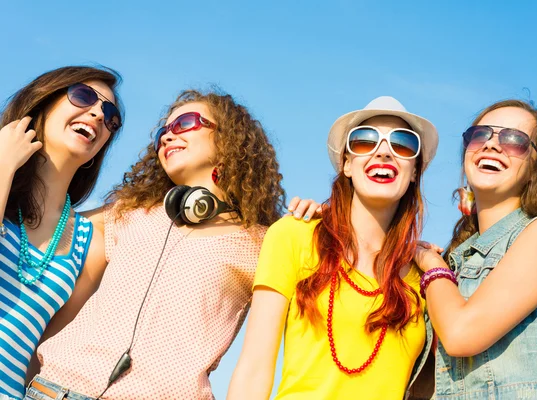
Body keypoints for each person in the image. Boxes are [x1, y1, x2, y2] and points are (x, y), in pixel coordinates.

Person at [25, 89, 311, 399]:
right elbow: (44, 223)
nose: (167, 136)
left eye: (185, 123)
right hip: (53, 390)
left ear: (229, 140)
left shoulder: (263, 242)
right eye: (164, 130)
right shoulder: (126, 213)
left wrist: (319, 221)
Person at [228, 96, 439, 399]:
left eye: (402, 144)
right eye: (364, 141)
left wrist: (436, 269)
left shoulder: (426, 277)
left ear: (415, 172)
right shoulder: (294, 235)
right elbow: (253, 369)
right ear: (347, 164)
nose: (383, 152)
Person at [414, 100, 537, 399]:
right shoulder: (457, 259)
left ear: (536, 167)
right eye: (480, 135)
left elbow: (462, 334)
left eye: (514, 140)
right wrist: (320, 221)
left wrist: (430, 264)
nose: (492, 145)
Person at [0, 66, 124, 399]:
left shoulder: (89, 243)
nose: (98, 113)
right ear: (42, 105)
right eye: (83, 96)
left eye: (111, 116)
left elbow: (43, 358)